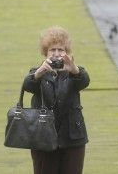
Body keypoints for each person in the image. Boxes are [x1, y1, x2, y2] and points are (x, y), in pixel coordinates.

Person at [22, 26, 90, 174]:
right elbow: (27, 84)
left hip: (72, 136)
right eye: (53, 50)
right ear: (46, 52)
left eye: (61, 50)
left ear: (66, 52)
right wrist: (40, 72)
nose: (57, 54)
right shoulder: (38, 73)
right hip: (43, 136)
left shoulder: (74, 73)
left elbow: (84, 81)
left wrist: (74, 70)